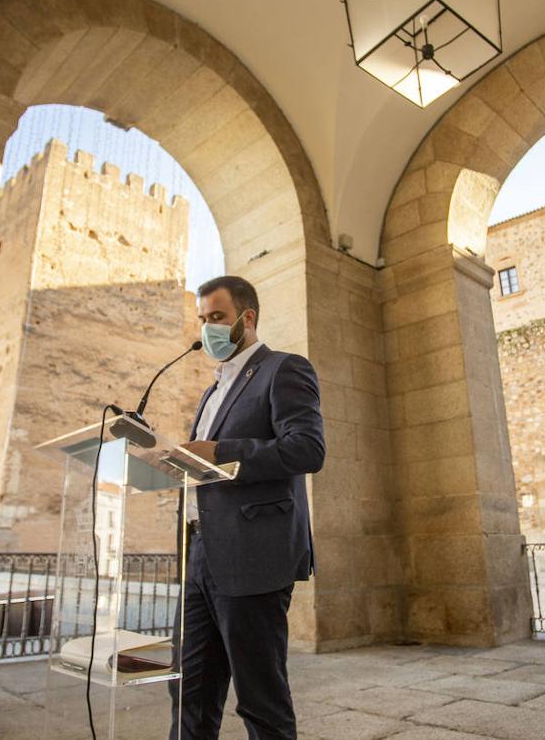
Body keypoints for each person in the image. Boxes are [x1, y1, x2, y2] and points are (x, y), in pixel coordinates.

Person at [169, 275, 325, 740]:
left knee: (260, 699)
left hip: (253, 553)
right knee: (188, 692)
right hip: (200, 555)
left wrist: (220, 450)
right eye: (203, 320)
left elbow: (307, 450)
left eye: (217, 318)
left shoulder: (283, 369)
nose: (208, 329)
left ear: (246, 318)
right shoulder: (211, 391)